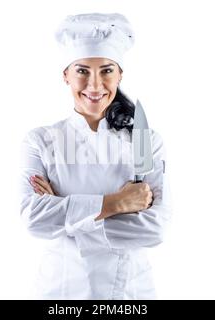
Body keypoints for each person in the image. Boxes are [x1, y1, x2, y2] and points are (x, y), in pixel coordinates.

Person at [19, 12, 172, 300]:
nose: (94, 84)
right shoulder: (40, 141)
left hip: (130, 294)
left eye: (106, 70)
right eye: (82, 71)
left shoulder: (145, 141)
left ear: (120, 74)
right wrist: (118, 203)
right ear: (65, 75)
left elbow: (155, 229)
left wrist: (66, 215)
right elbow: (34, 219)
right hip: (61, 293)